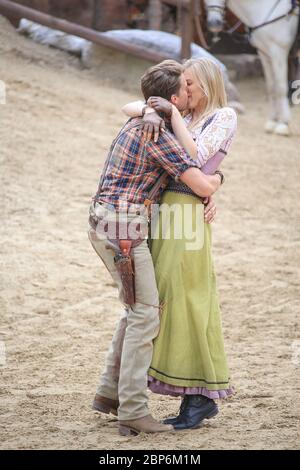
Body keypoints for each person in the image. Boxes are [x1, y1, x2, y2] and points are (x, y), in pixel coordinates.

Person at [88, 59, 224, 436]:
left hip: (109, 220)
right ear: (175, 98)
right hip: (124, 227)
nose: (191, 92)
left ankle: (108, 393)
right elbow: (202, 184)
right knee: (146, 314)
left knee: (136, 309)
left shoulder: (143, 121)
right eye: (186, 86)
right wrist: (219, 179)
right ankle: (132, 409)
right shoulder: (160, 134)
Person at [122, 58, 237, 430]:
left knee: (188, 297)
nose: (183, 91)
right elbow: (128, 106)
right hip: (164, 210)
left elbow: (198, 158)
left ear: (205, 85)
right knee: (165, 298)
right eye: (181, 84)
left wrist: (169, 115)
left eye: (189, 84)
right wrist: (151, 110)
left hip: (186, 212)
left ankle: (199, 396)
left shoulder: (224, 115)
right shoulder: (182, 115)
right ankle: (178, 392)